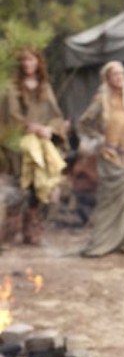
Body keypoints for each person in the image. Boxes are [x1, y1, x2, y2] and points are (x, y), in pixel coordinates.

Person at [78, 61, 124, 256]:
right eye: (115, 74)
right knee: (108, 204)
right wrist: (100, 139)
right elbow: (84, 123)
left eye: (121, 73)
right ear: (107, 78)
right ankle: (101, 244)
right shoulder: (101, 101)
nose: (119, 77)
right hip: (110, 157)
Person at [3, 46, 68, 245]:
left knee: (38, 188)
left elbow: (56, 115)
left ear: (38, 62)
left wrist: (49, 129)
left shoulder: (45, 88)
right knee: (17, 186)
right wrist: (30, 127)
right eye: (23, 60)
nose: (27, 64)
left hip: (41, 145)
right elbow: (10, 115)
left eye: (31, 60)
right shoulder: (12, 88)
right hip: (18, 145)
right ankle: (10, 232)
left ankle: (32, 232)